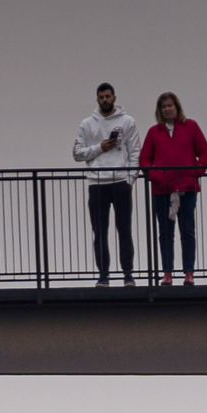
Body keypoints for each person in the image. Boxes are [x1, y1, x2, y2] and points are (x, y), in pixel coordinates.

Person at [71, 82, 140, 287]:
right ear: (97, 99)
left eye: (108, 96)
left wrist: (130, 179)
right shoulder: (87, 124)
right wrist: (99, 147)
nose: (105, 100)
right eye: (101, 97)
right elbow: (77, 153)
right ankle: (104, 275)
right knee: (100, 231)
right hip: (97, 183)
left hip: (120, 182)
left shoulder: (128, 122)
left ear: (115, 98)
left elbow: (135, 151)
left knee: (124, 229)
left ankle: (128, 274)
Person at [138, 91, 207, 286]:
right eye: (163, 107)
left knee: (187, 230)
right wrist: (154, 175)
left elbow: (204, 152)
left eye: (170, 105)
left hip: (186, 188)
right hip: (162, 190)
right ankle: (168, 273)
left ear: (177, 107)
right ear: (159, 111)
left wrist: (195, 172)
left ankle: (189, 272)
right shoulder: (154, 132)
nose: (167, 109)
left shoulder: (191, 127)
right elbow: (144, 159)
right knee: (165, 232)